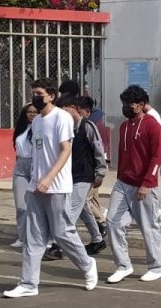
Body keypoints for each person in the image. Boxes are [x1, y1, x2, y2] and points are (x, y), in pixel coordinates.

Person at [3, 80, 97, 298]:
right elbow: (37, 154)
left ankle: (87, 264)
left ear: (51, 96)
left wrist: (48, 178)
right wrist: (35, 180)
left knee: (61, 232)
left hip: (56, 186)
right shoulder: (36, 123)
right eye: (33, 93)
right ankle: (28, 283)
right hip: (36, 187)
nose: (35, 98)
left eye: (39, 94)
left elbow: (66, 150)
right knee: (33, 236)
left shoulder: (61, 118)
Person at [105, 85, 161, 284]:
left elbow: (157, 157)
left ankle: (156, 267)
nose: (126, 107)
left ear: (140, 105)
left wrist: (147, 183)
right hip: (123, 183)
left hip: (144, 185)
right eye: (124, 103)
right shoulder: (124, 126)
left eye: (129, 103)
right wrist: (120, 176)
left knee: (148, 226)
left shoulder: (152, 125)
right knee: (112, 222)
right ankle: (123, 265)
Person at [59, 95, 107, 257]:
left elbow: (98, 150)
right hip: (70, 176)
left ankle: (60, 246)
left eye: (65, 109)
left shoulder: (87, 126)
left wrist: (100, 173)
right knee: (83, 209)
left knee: (70, 212)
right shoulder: (65, 128)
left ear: (73, 108)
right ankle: (97, 240)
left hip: (85, 176)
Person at [10, 103, 38, 250]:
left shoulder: (41, 127)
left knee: (37, 206)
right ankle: (22, 237)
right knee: (21, 206)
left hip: (36, 165)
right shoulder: (21, 129)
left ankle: (43, 237)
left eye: (35, 112)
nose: (32, 115)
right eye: (29, 112)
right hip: (21, 166)